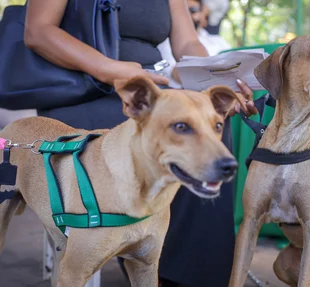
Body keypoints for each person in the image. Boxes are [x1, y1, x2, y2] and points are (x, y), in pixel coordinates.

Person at [23, 1, 257, 286]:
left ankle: (184, 275)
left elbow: (187, 43)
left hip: (150, 87)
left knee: (210, 125)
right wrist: (111, 70)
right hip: (80, 89)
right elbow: (38, 31)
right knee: (158, 131)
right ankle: (127, 243)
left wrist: (218, 78)